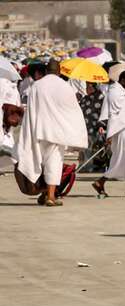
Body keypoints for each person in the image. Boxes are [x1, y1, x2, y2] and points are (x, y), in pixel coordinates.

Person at [12, 59, 87, 206]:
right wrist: (74, 132)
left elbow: (31, 110)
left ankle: (44, 193)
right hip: (57, 132)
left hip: (39, 129)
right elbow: (72, 110)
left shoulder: (37, 86)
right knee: (54, 164)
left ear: (46, 71)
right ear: (59, 72)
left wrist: (28, 130)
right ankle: (50, 196)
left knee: (37, 161)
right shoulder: (66, 87)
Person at [92, 71, 125, 198]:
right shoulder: (114, 92)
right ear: (122, 79)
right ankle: (102, 182)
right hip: (121, 129)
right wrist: (109, 134)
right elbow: (116, 113)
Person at [78, 82, 106, 171]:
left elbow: (104, 113)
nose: (86, 88)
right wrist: (78, 99)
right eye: (86, 86)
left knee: (94, 148)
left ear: (93, 87)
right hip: (85, 127)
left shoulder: (101, 98)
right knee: (85, 148)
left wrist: (101, 125)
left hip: (95, 128)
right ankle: (84, 166)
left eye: (88, 86)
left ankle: (92, 167)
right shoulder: (85, 98)